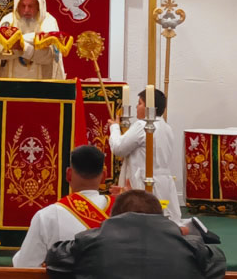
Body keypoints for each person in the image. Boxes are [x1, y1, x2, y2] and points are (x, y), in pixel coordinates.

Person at [0, 0, 66, 187]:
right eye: (23, 6)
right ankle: (4, 183)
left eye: (31, 6)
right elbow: (1, 52)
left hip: (41, 93)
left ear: (39, 6)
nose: (27, 10)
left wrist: (22, 45)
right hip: (9, 95)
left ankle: (42, 181)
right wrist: (31, 44)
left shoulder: (49, 22)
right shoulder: (7, 20)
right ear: (17, 5)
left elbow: (49, 56)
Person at [45, 189, 226, 279]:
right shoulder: (192, 247)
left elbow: (54, 258)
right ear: (160, 217)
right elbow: (217, 262)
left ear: (113, 217)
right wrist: (175, 233)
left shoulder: (89, 241)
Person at [13, 145, 114, 267]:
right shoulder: (123, 212)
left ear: (68, 174)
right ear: (104, 176)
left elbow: (24, 266)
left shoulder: (47, 216)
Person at [109, 88, 181, 224]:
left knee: (141, 220)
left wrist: (115, 128)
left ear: (149, 108)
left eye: (140, 103)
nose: (136, 107)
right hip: (164, 181)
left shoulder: (142, 126)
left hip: (144, 181)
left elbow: (118, 148)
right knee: (164, 220)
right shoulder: (167, 127)